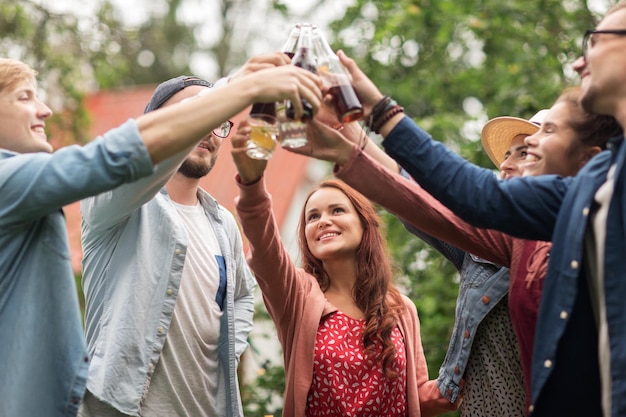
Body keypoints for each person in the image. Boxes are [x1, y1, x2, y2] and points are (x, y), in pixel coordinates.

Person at [324, 3, 626, 414]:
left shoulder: (602, 188)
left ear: (586, 156)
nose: (578, 62)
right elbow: (435, 199)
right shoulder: (540, 222)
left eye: (546, 133)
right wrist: (349, 140)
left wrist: (376, 116)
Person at [0, 55, 321, 417]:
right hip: (124, 408)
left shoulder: (222, 223)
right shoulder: (118, 204)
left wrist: (227, 350)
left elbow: (244, 295)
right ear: (159, 125)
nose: (208, 127)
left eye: (218, 122)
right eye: (195, 114)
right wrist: (236, 87)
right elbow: (110, 161)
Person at [229, 122, 460, 417]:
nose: (323, 220)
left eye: (337, 210)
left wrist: (463, 374)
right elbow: (265, 248)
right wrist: (251, 182)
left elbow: (415, 397)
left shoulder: (401, 309)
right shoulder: (297, 296)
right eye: (313, 216)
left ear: (365, 225)